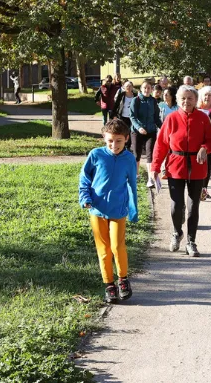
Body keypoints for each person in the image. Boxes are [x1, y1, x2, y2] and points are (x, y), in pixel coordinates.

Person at [152, 86, 211, 257]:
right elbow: (161, 145)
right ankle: (177, 232)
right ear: (178, 100)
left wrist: (204, 148)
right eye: (183, 98)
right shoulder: (171, 118)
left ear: (196, 100)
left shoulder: (203, 118)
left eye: (190, 98)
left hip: (197, 165)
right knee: (176, 206)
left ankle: (191, 241)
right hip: (176, 165)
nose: (186, 101)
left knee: (193, 206)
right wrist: (155, 168)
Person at [79, 119, 138, 303]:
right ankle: (109, 285)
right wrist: (85, 198)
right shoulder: (96, 155)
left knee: (117, 246)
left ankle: (123, 279)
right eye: (110, 140)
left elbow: (132, 185)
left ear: (126, 139)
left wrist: (133, 209)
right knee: (103, 249)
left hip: (118, 211)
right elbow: (84, 179)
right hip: (97, 210)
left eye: (119, 141)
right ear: (104, 138)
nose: (114, 145)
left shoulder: (129, 159)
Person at [130, 81, 162, 187]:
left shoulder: (153, 101)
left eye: (148, 88)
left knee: (150, 154)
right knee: (136, 154)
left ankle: (150, 179)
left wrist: (163, 128)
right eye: (144, 88)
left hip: (151, 131)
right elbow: (132, 117)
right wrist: (139, 128)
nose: (146, 90)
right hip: (137, 131)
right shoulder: (136, 100)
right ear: (141, 89)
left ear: (151, 89)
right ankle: (136, 175)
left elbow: (156, 118)